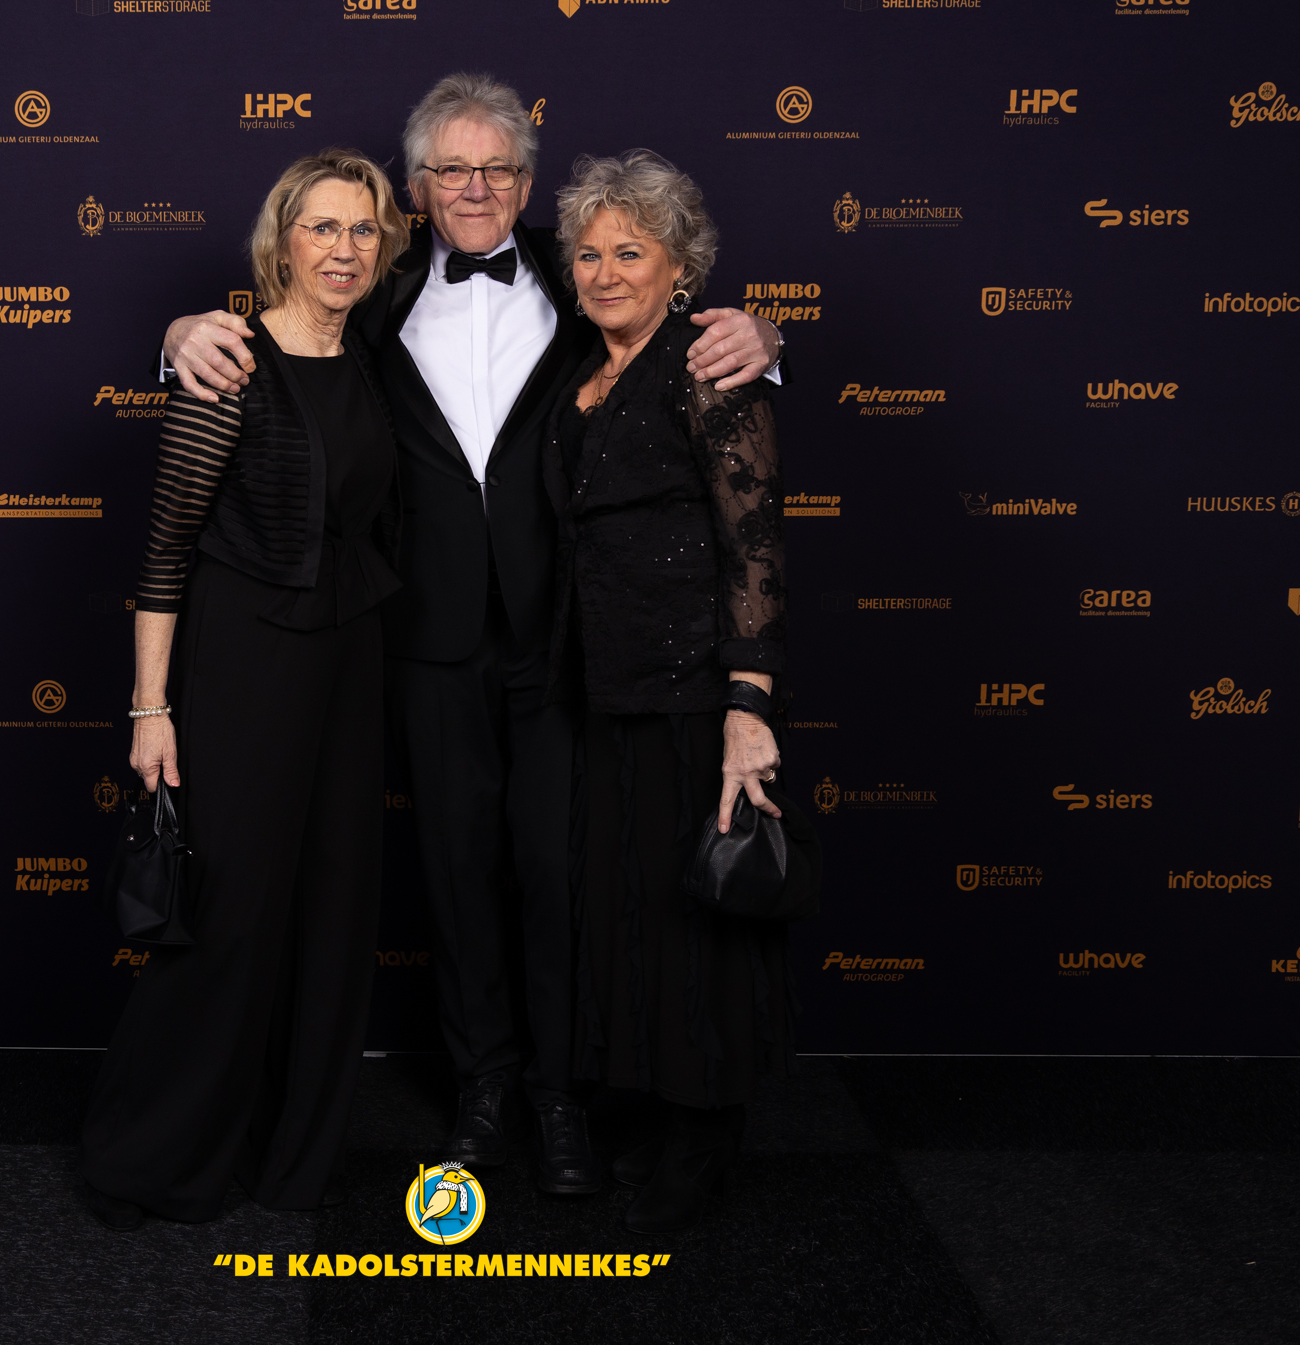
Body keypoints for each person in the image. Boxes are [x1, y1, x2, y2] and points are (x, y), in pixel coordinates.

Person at [161, 74, 782, 1197]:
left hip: (567, 637)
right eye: (452, 169)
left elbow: (671, 326)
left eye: (498, 169)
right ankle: (483, 1084)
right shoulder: (375, 282)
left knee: (556, 872)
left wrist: (765, 335)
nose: (476, 189)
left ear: (528, 184)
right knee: (454, 872)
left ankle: (559, 1092)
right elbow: (280, 335)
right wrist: (178, 337)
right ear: (418, 188)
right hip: (423, 635)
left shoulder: (576, 267)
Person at [79, 150, 410, 1228]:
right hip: (242, 664)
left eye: (363, 230)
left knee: (333, 907)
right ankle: (157, 1155)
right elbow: (165, 550)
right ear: (282, 242)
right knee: (227, 913)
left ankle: (290, 1153)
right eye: (322, 228)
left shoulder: (369, 357)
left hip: (349, 662)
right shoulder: (228, 362)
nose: (344, 249)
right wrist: (150, 709)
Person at [542, 150, 791, 1235]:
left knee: (699, 923)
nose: (605, 272)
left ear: (680, 267)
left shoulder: (710, 365)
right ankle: (650, 1107)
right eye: (589, 253)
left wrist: (749, 706)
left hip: (696, 691)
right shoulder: (577, 369)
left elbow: (755, 542)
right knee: (634, 909)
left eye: (630, 253)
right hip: (601, 687)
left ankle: (700, 1146)